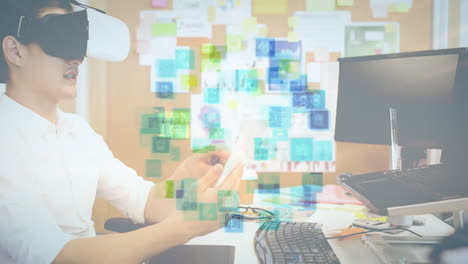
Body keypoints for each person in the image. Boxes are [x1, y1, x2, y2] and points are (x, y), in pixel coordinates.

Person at [0, 0, 243, 263]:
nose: (77, 59)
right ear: (15, 51)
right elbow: (55, 255)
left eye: (79, 43)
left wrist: (183, 180)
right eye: (60, 39)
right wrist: (183, 228)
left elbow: (141, 200)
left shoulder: (77, 130)